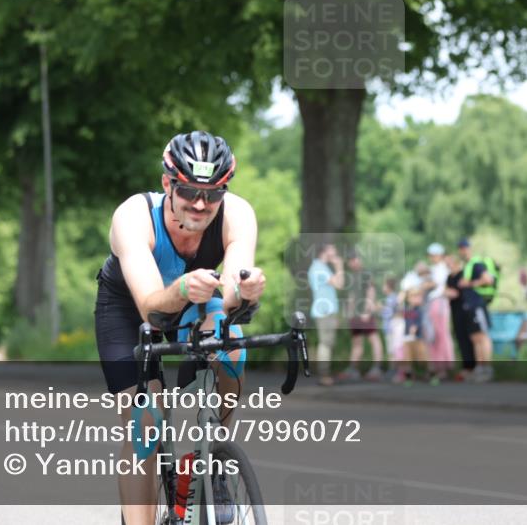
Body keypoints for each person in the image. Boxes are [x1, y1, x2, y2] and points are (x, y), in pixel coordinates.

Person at [94, 130, 266, 525]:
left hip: (196, 298)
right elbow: (151, 307)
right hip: (130, 308)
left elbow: (232, 288)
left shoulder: (237, 214)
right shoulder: (133, 217)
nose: (201, 204)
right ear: (167, 184)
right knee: (145, 421)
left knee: (232, 347)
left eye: (213, 193)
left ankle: (214, 458)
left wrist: (245, 291)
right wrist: (185, 288)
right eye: (189, 191)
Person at [458, 239, 498, 382]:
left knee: (482, 336)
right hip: (470, 307)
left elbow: (488, 280)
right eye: (460, 248)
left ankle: (487, 369)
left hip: (477, 305)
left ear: (469, 248)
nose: (462, 251)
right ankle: (479, 368)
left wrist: (469, 284)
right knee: (475, 338)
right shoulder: (467, 265)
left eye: (464, 248)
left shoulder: (477, 264)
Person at [340, 252, 382, 381]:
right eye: (351, 260)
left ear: (359, 260)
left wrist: (367, 311)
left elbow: (371, 291)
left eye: (355, 259)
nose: (353, 262)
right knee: (357, 342)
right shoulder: (352, 276)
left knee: (373, 339)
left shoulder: (365, 273)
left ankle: (377, 368)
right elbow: (352, 296)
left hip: (364, 313)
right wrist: (349, 313)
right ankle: (353, 369)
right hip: (355, 316)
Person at [308, 242, 344, 386]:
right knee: (325, 343)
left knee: (327, 342)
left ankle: (325, 374)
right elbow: (339, 284)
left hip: (326, 310)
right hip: (324, 310)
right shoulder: (319, 268)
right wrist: (339, 266)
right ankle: (324, 375)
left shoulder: (320, 267)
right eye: (332, 249)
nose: (335, 251)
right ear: (325, 251)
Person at [396, 287, 438, 385]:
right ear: (409, 298)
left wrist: (416, 327)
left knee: (423, 358)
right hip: (407, 338)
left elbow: (420, 321)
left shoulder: (420, 309)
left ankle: (432, 375)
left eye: (419, 297)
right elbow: (400, 314)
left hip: (418, 338)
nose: (418, 299)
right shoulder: (406, 309)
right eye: (415, 297)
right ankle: (409, 378)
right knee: (408, 359)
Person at [444, 255, 477, 379]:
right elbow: (447, 291)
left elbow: (457, 292)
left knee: (470, 339)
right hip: (455, 311)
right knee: (460, 338)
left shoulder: (463, 274)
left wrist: (450, 293)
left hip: (466, 311)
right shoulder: (449, 277)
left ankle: (474, 366)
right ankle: (466, 367)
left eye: (451, 263)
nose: (449, 265)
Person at [424, 244, 453, 379]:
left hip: (439, 302)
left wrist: (422, 285)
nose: (432, 257)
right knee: (433, 335)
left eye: (435, 255)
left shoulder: (441, 268)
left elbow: (435, 283)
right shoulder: (435, 268)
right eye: (431, 255)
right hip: (432, 302)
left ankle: (442, 367)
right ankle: (435, 366)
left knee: (441, 334)